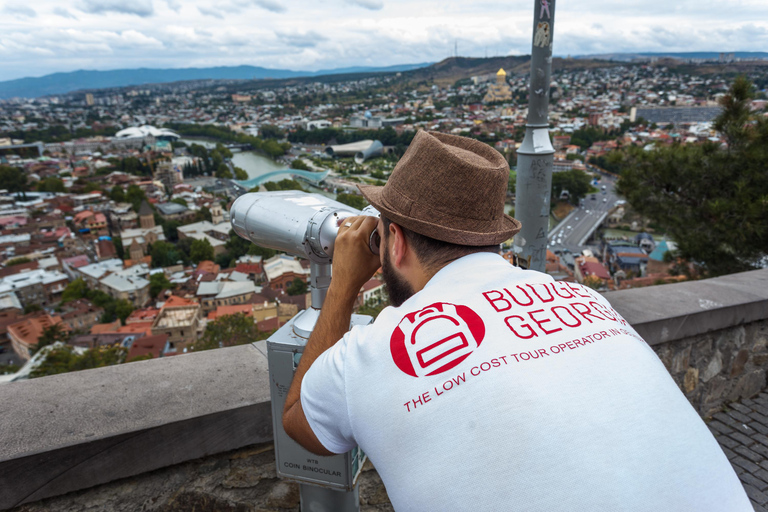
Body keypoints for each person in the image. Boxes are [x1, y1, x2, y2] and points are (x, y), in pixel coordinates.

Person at [282, 130, 751, 511]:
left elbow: (301, 422)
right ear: (492, 242)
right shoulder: (585, 299)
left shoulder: (375, 351)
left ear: (397, 243)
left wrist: (342, 285)